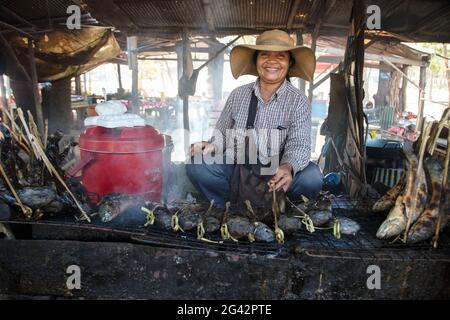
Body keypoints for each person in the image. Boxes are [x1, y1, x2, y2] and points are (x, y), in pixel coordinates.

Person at [186, 29, 323, 208]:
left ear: (289, 63)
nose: (272, 61)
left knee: (312, 178)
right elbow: (223, 135)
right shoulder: (238, 95)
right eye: (264, 55)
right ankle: (228, 209)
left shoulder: (298, 100)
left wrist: (288, 167)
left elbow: (300, 144)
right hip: (239, 167)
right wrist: (212, 145)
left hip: (278, 170)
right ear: (256, 61)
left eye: (280, 56)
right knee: (198, 165)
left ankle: (286, 210)